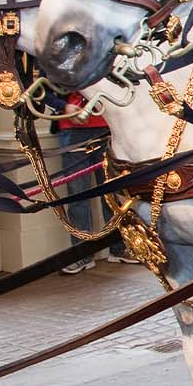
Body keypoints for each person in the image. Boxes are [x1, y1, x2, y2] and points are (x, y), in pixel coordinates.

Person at [55, 92, 135, 273]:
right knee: (77, 196)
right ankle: (82, 254)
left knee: (112, 194)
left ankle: (119, 247)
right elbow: (42, 88)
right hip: (71, 128)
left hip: (106, 125)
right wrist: (63, 106)